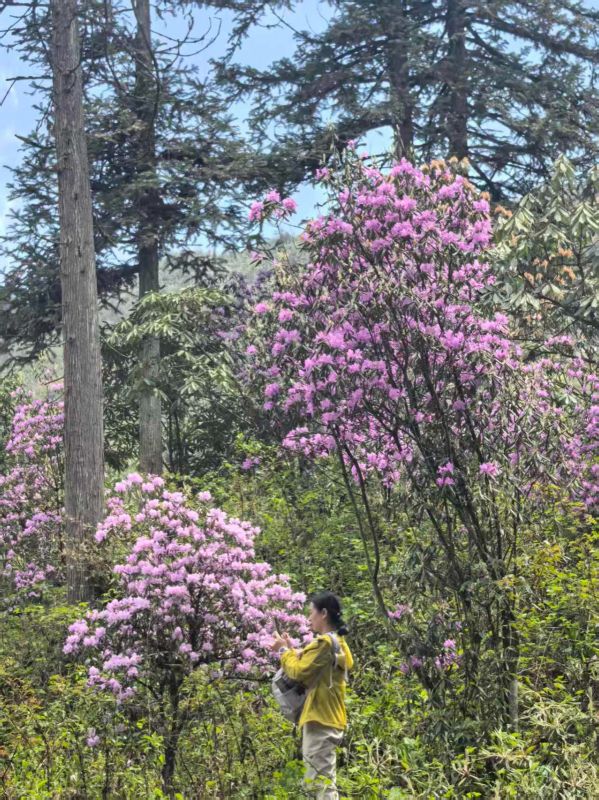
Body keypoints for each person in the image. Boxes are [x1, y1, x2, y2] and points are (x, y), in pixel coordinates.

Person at [271, 591, 353, 799]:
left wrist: (283, 651)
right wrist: (292, 650)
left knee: (319, 784)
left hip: (320, 719)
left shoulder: (325, 643)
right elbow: (312, 665)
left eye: (311, 613)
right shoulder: (338, 642)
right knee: (319, 781)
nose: (309, 618)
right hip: (330, 717)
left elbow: (299, 671)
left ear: (323, 613)